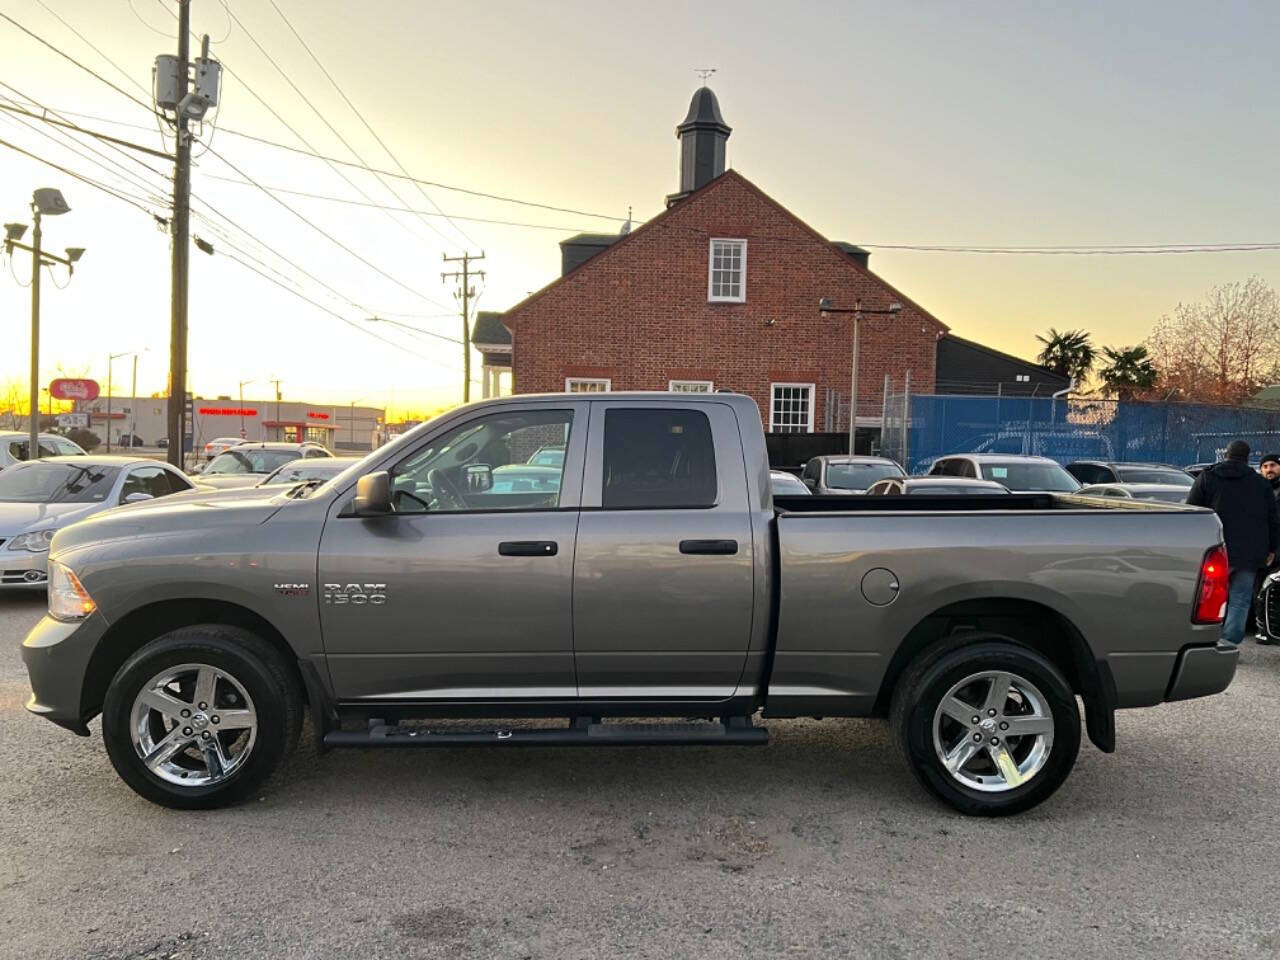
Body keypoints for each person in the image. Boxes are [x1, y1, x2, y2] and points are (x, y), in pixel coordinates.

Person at [1187, 440, 1278, 646]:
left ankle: (1206, 641)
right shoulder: (1260, 483)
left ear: (1226, 455)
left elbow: (1192, 512)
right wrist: (1272, 548)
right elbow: (1273, 519)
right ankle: (1229, 642)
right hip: (1249, 552)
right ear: (1247, 458)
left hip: (1213, 548)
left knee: (1208, 597)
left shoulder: (1208, 477)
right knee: (1240, 598)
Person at [1255, 453, 1280, 643]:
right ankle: (1262, 628)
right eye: (1265, 466)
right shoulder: (1257, 490)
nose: (1268, 469)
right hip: (1260, 549)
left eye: (1272, 465)